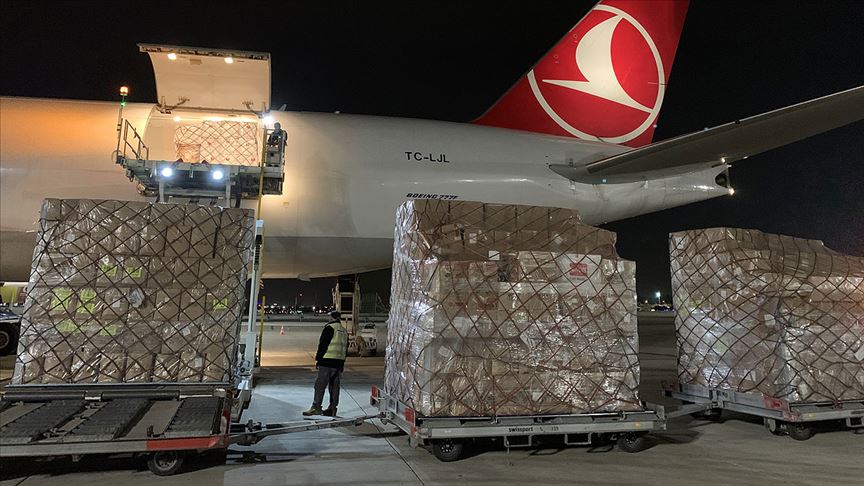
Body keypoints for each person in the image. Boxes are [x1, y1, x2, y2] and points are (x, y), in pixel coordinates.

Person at [302, 310, 348, 417]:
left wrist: (318, 359)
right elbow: (345, 349)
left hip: (327, 361)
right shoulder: (344, 331)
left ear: (332, 317)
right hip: (338, 363)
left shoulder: (329, 328)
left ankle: (316, 407)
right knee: (334, 387)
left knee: (320, 385)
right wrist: (342, 364)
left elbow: (323, 345)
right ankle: (332, 409)